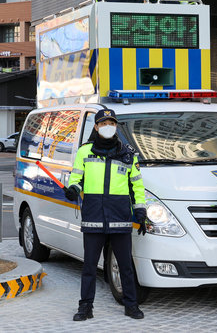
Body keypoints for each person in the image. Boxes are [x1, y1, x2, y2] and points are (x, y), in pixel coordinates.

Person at [65, 108, 147, 321]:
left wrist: (141, 209)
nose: (107, 127)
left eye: (111, 123)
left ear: (115, 126)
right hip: (93, 216)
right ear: (96, 127)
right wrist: (73, 188)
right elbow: (75, 177)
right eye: (103, 123)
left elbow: (137, 185)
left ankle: (131, 305)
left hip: (120, 217)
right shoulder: (85, 152)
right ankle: (85, 308)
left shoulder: (128, 153)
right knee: (90, 266)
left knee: (125, 265)